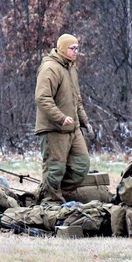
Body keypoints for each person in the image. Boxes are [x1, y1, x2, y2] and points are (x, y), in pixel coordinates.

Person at [34, 33, 91, 204]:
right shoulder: (50, 68)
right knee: (55, 169)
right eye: (72, 48)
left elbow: (76, 98)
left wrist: (84, 121)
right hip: (54, 128)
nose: (76, 52)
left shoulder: (71, 68)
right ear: (62, 48)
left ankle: (49, 191)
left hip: (73, 128)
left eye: (77, 48)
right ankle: (51, 201)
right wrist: (60, 118)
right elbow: (42, 98)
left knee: (82, 166)